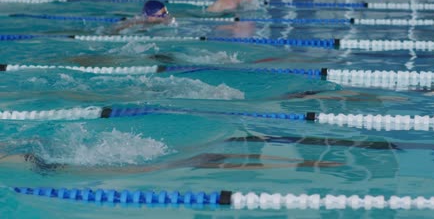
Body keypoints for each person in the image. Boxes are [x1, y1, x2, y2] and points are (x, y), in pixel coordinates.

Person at [0, 152, 342, 175]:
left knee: (188, 162)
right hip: (53, 166)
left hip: (52, 166)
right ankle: (308, 163)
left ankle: (308, 163)